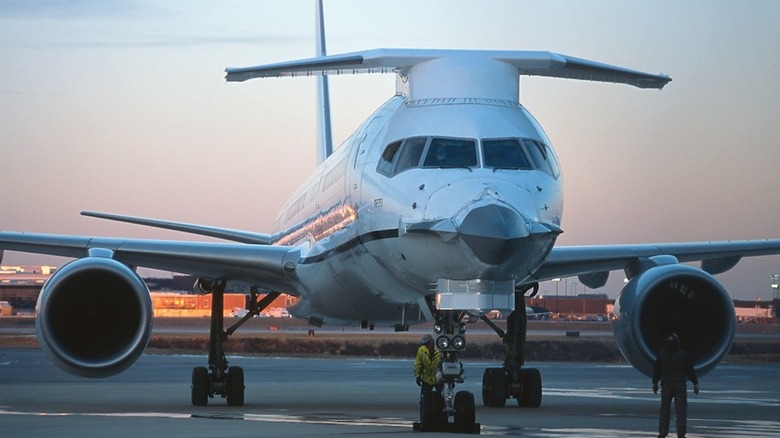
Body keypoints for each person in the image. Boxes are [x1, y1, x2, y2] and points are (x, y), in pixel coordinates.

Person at [652, 333, 699, 438]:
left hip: (666, 385)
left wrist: (654, 383)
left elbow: (656, 369)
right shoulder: (683, 354)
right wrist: (695, 382)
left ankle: (662, 433)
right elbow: (689, 370)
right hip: (679, 385)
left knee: (664, 410)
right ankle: (681, 434)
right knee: (681, 411)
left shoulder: (661, 354)